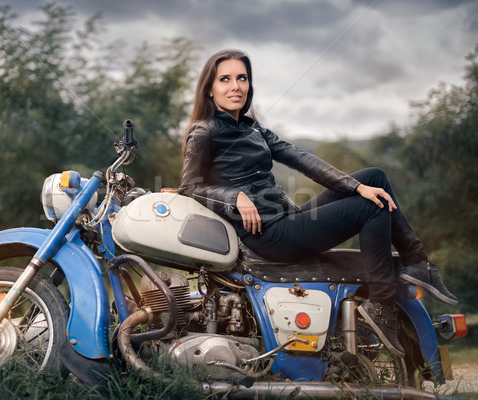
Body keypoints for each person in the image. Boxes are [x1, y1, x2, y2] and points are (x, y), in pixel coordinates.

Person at [178, 49, 457, 358]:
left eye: (241, 78)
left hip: (288, 219)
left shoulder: (252, 128)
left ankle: (418, 263)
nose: (235, 87)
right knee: (370, 208)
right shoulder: (204, 132)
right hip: (268, 236)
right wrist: (234, 197)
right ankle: (382, 305)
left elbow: (302, 158)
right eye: (225, 79)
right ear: (210, 89)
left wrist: (355, 186)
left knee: (374, 178)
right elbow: (189, 187)